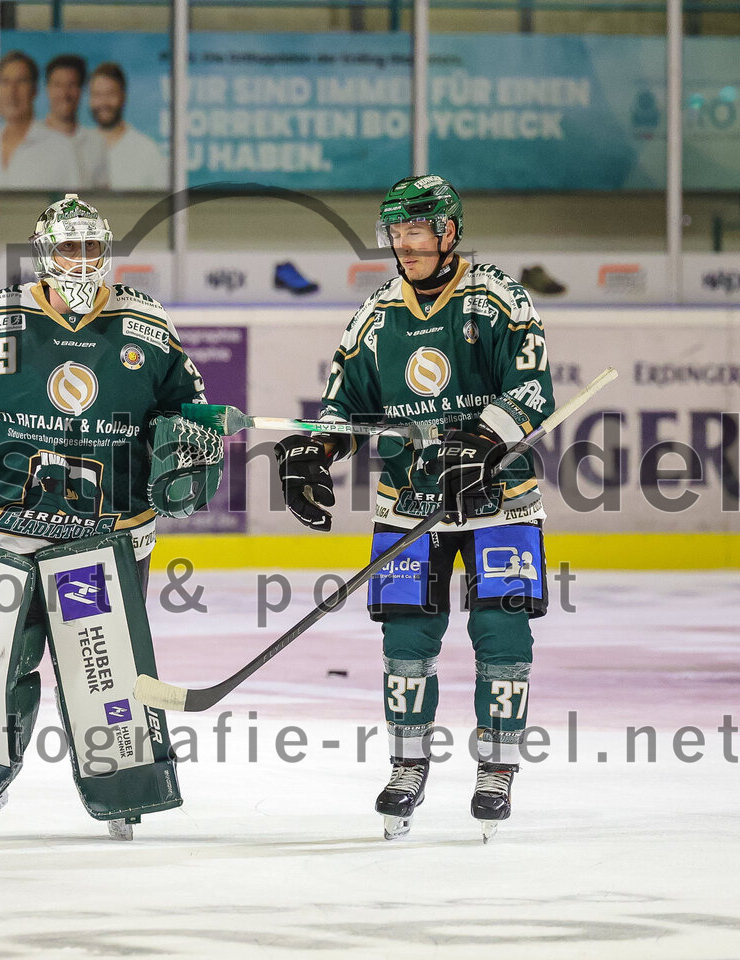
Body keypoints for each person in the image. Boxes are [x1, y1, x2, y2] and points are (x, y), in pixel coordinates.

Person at [0, 195, 224, 839]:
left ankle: (124, 789)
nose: (83, 261)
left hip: (107, 535)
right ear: (44, 253)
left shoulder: (146, 328)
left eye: (94, 249)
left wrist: (192, 444)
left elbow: (189, 412)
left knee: (107, 668)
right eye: (70, 249)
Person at [273, 174, 555, 842]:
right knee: (405, 640)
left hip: (500, 502)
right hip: (409, 504)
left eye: (416, 231)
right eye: (395, 233)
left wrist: (484, 443)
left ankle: (497, 765)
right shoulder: (376, 317)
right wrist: (318, 451)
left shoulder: (497, 299)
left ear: (449, 232)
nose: (404, 245)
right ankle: (408, 762)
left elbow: (533, 390)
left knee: (503, 635)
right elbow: (347, 406)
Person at [0, 50, 79, 189]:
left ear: (35, 90)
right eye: (5, 82)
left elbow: (76, 206)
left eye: (21, 82)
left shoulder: (61, 148)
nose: (12, 91)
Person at [88, 62, 167, 190]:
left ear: (123, 97)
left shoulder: (147, 151)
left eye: (110, 94)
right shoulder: (79, 148)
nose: (103, 102)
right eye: (97, 95)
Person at [44, 54, 107, 188]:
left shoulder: (96, 142)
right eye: (58, 85)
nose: (65, 93)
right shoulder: (31, 140)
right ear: (47, 89)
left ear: (81, 90)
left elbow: (103, 197)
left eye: (72, 85)